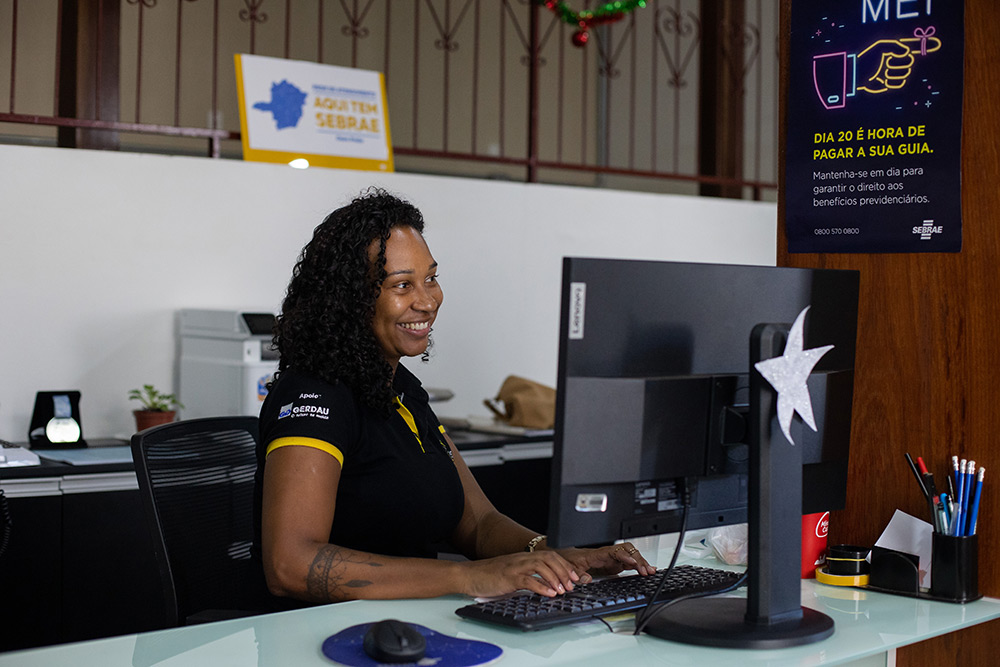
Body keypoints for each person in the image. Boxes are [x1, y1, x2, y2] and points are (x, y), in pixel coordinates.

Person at [254, 188, 654, 604]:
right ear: (350, 299)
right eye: (402, 284)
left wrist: (558, 555)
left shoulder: (402, 390)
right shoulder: (313, 395)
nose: (427, 301)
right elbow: (291, 565)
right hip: (318, 637)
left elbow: (478, 523)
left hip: (405, 624)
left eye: (430, 278)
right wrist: (469, 578)